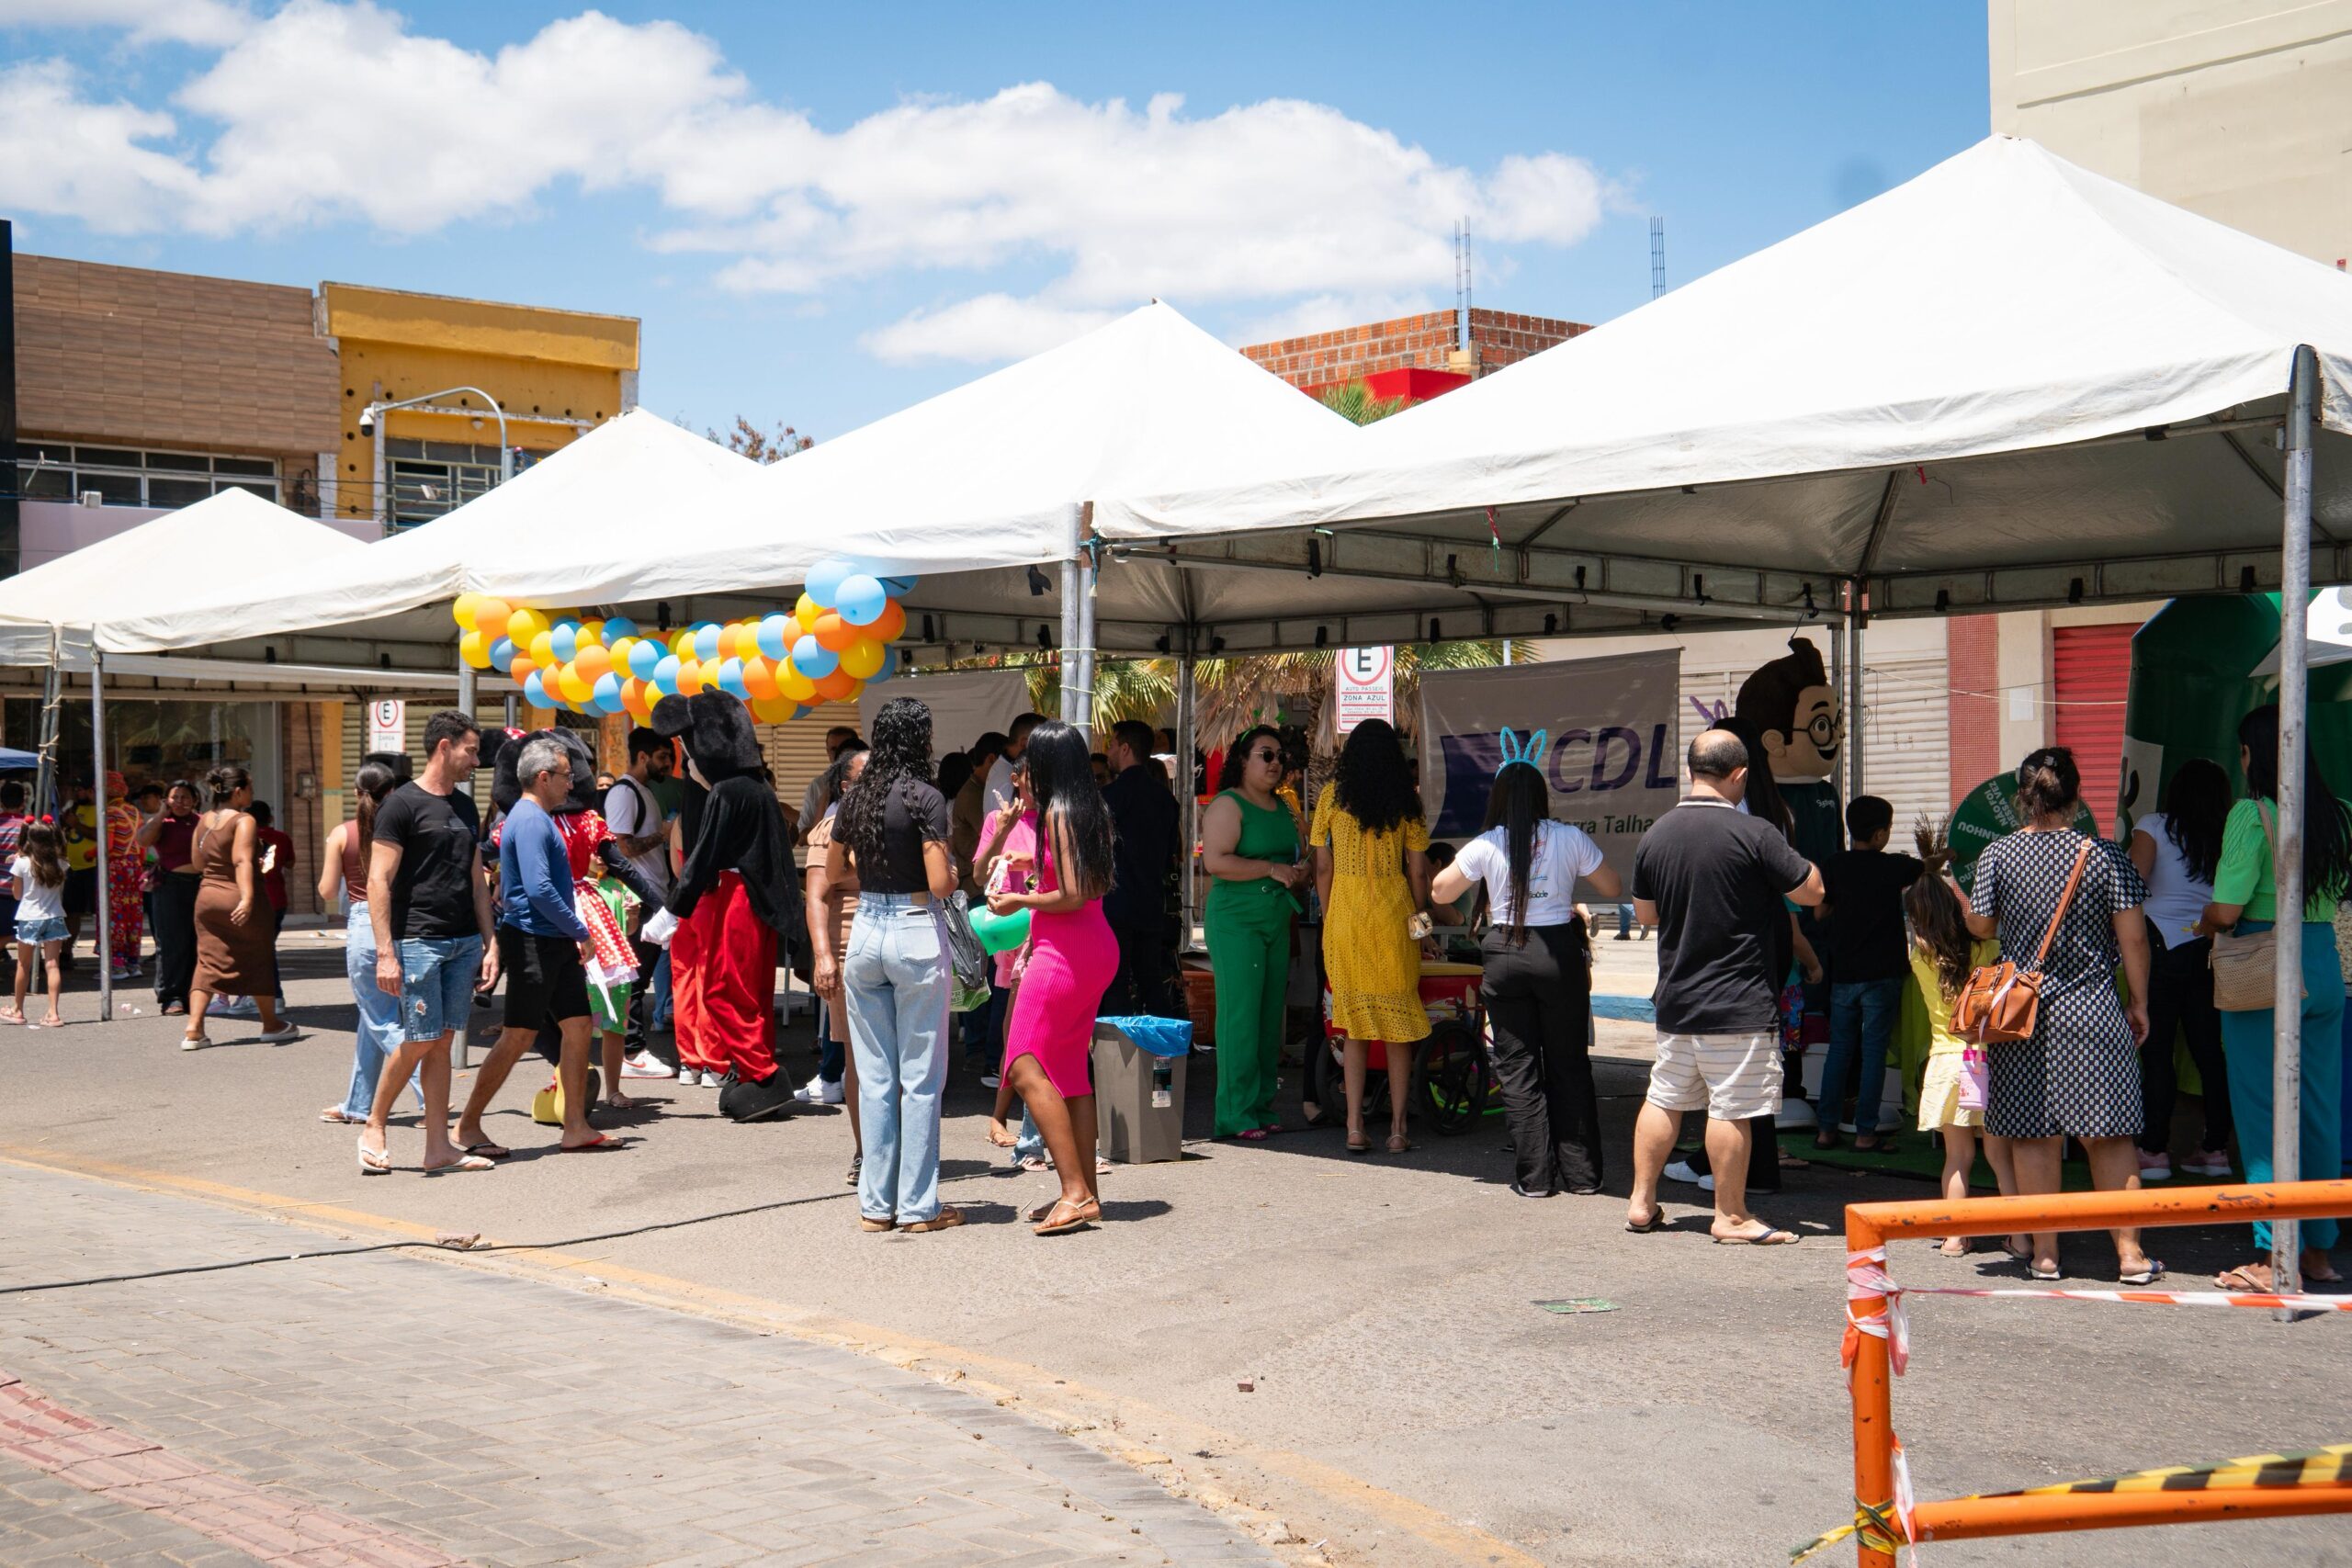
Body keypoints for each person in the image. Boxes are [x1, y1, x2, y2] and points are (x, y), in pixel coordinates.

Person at [1963, 746, 2158, 1283]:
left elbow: (1981, 926)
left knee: (2032, 1136)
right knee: (2110, 1135)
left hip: (2021, 1015)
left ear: (2022, 797)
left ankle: (2045, 1254)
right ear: (2076, 796)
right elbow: (2134, 938)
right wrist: (2139, 1002)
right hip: (2092, 1009)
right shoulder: (2105, 855)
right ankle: (2130, 1256)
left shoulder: (1998, 854)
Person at [1625, 729, 1825, 1245]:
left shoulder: (1657, 833)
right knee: (1732, 1107)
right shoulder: (1755, 832)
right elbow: (1812, 891)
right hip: (1737, 1000)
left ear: (1692, 770)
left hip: (1676, 998)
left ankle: (1642, 1202)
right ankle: (1730, 1216)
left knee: (1664, 1098)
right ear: (1740, 775)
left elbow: (1645, 914)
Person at [2199, 705, 2347, 1291]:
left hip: (2265, 964)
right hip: (2323, 962)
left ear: (2250, 754)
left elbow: (2227, 909)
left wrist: (2206, 920)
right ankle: (2319, 1250)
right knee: (2319, 1109)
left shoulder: (2250, 812)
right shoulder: (2341, 814)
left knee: (2262, 1111)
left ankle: (2270, 1255)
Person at [1430, 750, 1623, 1196]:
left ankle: (1534, 1179)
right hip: (1557, 951)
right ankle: (1583, 1176)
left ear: (1497, 798)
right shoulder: (1568, 837)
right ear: (1542, 796)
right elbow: (1612, 886)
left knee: (1517, 1067)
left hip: (1505, 952)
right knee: (1569, 1064)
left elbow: (1440, 891)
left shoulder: (1487, 843)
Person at [825, 695, 964, 1233]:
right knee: (921, 1079)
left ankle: (875, 1206)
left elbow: (834, 872)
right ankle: (919, 1207)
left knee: (876, 1078)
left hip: (865, 929)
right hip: (914, 925)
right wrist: (952, 868)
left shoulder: (856, 798)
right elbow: (940, 884)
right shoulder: (925, 797)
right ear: (919, 740)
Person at [990, 720, 1119, 1235]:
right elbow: (1085, 881)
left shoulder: (1058, 813)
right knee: (1068, 1075)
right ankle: (1086, 1193)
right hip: (1091, 948)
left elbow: (1072, 895)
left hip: (1064, 952)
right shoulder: (1088, 808)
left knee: (1023, 1064)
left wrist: (1019, 898)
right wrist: (1034, 861)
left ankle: (1075, 1192)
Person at [651, 691, 803, 1122]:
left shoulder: (728, 792)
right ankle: (755, 1071)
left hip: (739, 897)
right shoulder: (759, 789)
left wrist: (672, 910)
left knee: (721, 989)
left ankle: (763, 1071)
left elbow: (703, 856)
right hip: (762, 901)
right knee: (753, 994)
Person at [358, 710, 499, 1176]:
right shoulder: (401, 806)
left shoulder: (464, 806)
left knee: (442, 1041)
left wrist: (490, 941)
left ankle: (438, 1147)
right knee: (421, 1039)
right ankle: (374, 1124)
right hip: (419, 940)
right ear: (445, 746)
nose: (475, 761)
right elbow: (378, 880)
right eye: (471, 751)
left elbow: (477, 882)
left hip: (463, 941)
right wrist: (385, 953)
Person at [471, 734, 618, 1156]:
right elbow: (538, 890)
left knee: (578, 1026)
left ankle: (575, 1126)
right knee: (517, 1037)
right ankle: (467, 1125)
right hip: (534, 941)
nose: (572, 783)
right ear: (542, 777)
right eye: (566, 776)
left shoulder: (533, 817)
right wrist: (581, 931)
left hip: (552, 940)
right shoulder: (531, 820)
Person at [1311, 718, 1432, 1156]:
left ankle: (1354, 1127)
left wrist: (1330, 917)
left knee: (1354, 1026)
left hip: (1345, 915)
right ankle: (1398, 1129)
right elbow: (1417, 872)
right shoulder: (1407, 803)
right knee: (1398, 1028)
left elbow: (1322, 866)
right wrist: (1423, 928)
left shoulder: (1331, 797)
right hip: (1394, 916)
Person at [1905, 824, 2019, 1255]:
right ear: (1956, 907)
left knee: (1956, 1157)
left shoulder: (1919, 957)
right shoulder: (1985, 951)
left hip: (1947, 1062)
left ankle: (1955, 1235)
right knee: (2000, 1155)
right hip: (1990, 1059)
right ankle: (2022, 1234)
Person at [2128, 758, 2234, 1180]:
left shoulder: (2154, 825)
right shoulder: (2228, 833)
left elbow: (2132, 881)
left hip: (2158, 947)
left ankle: (2154, 1151)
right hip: (2210, 948)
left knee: (2157, 1050)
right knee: (2210, 1053)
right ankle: (2216, 1149)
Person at [1202, 726, 1304, 1140]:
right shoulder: (1228, 804)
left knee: (1268, 1018)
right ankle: (1234, 1113)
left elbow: (1297, 855)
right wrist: (1271, 868)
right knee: (1240, 1016)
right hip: (1236, 922)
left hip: (1277, 919)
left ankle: (1261, 1106)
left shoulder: (1284, 806)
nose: (1275, 762)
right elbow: (1215, 862)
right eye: (1266, 754)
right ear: (1243, 761)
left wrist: (1300, 870)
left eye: (1280, 756)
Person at [1812, 795, 1923, 1153]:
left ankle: (1826, 1130)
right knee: (1874, 1051)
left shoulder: (1834, 864)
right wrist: (1947, 855)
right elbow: (1927, 867)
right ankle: (1865, 1134)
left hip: (1844, 973)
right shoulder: (1894, 866)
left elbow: (1819, 913)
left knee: (1840, 1050)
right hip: (1882, 974)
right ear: (1879, 835)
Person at [318, 762, 419, 1126]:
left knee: (380, 1019)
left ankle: (430, 1088)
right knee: (373, 1017)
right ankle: (358, 1104)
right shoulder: (404, 830)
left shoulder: (342, 833)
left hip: (364, 920)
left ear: (355, 792)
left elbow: (328, 891)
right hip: (402, 919)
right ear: (392, 792)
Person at [179, 765, 300, 1050]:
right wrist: (247, 898)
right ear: (237, 792)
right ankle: (271, 1024)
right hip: (237, 894)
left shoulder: (204, 820)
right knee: (258, 957)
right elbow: (241, 860)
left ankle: (194, 1028)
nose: (252, 793)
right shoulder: (244, 820)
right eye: (250, 788)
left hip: (207, 896)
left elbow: (197, 863)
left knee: (207, 961)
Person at [802, 745, 870, 1183]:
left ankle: (894, 1150)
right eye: (866, 775)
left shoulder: (897, 820)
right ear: (846, 786)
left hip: (892, 944)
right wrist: (824, 957)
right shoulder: (829, 828)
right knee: (859, 1059)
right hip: (848, 949)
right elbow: (816, 897)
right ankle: (866, 1151)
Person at [603, 725, 677, 1078]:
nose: (668, 764)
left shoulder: (643, 791)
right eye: (662, 757)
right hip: (636, 899)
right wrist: (662, 835)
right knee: (632, 978)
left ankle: (631, 1049)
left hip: (652, 895)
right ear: (643, 756)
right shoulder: (623, 792)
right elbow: (621, 848)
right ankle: (632, 1052)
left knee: (639, 977)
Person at [1102, 718, 1180, 1017]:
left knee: (1115, 983)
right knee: (1152, 982)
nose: (1108, 752)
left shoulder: (1109, 796)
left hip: (1114, 902)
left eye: (1111, 744)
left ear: (1125, 748)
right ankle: (1161, 1045)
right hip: (1151, 901)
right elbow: (1170, 854)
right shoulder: (1165, 799)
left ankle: (1115, 1047)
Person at [141, 782, 202, 1013]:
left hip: (200, 885)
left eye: (185, 797)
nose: (180, 802)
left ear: (194, 800)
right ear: (166, 800)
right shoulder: (162, 822)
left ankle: (193, 993)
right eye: (175, 797)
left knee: (196, 941)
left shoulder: (202, 821)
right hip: (169, 886)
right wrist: (160, 815)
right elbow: (142, 840)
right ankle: (171, 996)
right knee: (170, 942)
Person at [6, 821, 70, 1027]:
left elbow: (17, 895)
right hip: (55, 917)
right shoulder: (61, 863)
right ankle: (53, 1013)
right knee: (52, 964)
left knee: (23, 964)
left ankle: (17, 1010)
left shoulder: (22, 864)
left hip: (29, 917)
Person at [950, 731, 1008, 898]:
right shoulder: (973, 795)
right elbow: (990, 836)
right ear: (991, 759)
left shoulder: (980, 789)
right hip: (974, 886)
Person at [103, 773, 144, 981]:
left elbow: (109, 846)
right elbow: (142, 845)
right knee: (133, 914)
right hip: (135, 866)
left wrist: (90, 854)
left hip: (115, 868)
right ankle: (133, 962)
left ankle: (117, 964)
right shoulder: (134, 811)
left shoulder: (110, 813)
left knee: (115, 914)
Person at [796, 725, 864, 843]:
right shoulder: (818, 786)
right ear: (827, 751)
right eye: (834, 749)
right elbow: (802, 837)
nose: (839, 754)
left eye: (844, 748)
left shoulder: (872, 783)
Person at [985, 713, 1046, 818]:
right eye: (1042, 743)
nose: (1045, 749)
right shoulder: (1006, 780)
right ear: (1024, 743)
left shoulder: (1003, 767)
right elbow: (1007, 823)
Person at [0, 781, 27, 939]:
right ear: (23, 803)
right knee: (16, 932)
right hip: (19, 890)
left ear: (1, 803)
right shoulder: (28, 826)